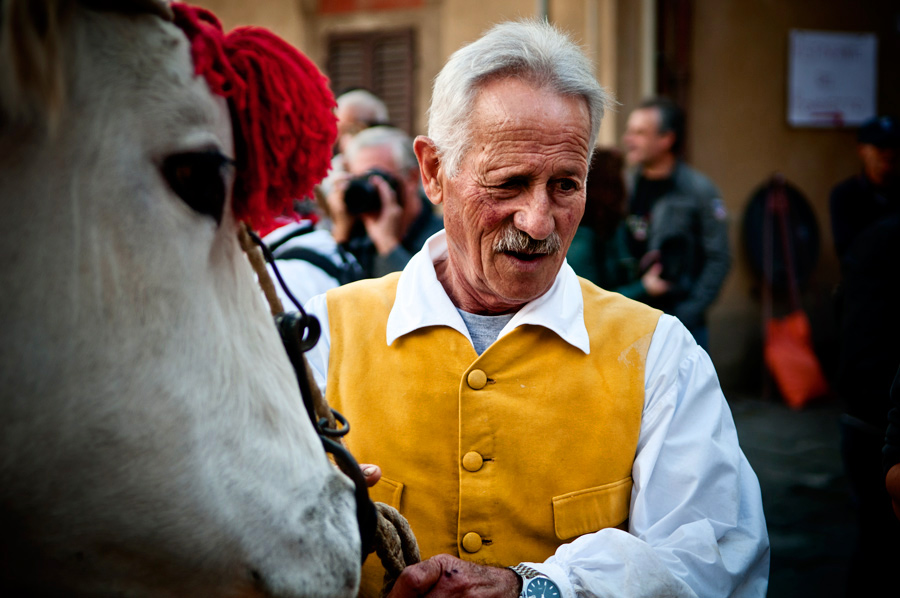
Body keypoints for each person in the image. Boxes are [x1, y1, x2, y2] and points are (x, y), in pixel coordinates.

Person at [306, 19, 768, 598]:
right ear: (433, 173)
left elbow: (716, 560)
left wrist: (541, 589)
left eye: (565, 185)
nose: (538, 222)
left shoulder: (657, 353)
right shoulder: (322, 333)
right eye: (508, 184)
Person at [621, 97, 730, 350]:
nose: (628, 139)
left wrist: (687, 313)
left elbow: (719, 257)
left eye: (639, 133)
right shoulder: (625, 186)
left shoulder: (699, 191)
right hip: (631, 320)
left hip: (682, 326)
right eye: (629, 131)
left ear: (666, 139)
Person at [831, 208, 900, 595]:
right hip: (872, 412)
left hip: (864, 407)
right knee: (878, 546)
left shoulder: (875, 233)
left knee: (873, 545)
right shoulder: (882, 237)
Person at [324, 125, 443, 278]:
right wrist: (341, 233)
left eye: (377, 177)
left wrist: (387, 244)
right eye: (362, 179)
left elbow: (422, 296)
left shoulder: (441, 239)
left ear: (412, 178)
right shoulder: (356, 235)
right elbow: (325, 289)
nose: (370, 188)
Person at [829, 115, 899, 262]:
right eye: (880, 147)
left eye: (894, 147)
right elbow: (848, 255)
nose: (888, 154)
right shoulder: (845, 195)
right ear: (862, 150)